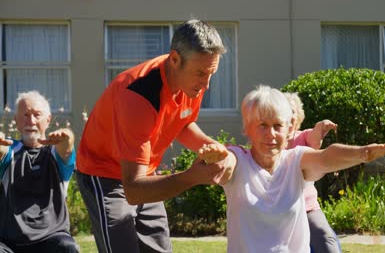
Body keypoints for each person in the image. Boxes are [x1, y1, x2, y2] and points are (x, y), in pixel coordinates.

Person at [76, 19, 228, 253]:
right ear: (175, 59)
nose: (206, 85)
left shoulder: (191, 82)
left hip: (142, 172)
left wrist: (214, 148)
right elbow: (134, 190)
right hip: (104, 172)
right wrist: (191, 177)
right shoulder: (140, 96)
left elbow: (182, 123)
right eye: (200, 73)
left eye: (212, 73)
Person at [198, 85, 385, 253]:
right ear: (246, 128)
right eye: (262, 125)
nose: (271, 134)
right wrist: (218, 158)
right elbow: (228, 165)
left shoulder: (296, 160)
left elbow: (326, 157)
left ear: (289, 129)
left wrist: (362, 153)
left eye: (278, 125)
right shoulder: (238, 159)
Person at [0, 91, 79, 253]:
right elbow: (2, 150)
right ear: (16, 120)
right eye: (26, 115)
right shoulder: (10, 150)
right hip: (10, 243)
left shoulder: (55, 154)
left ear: (48, 119)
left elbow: (66, 146)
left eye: (37, 115)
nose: (31, 121)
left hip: (52, 238)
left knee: (68, 247)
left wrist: (67, 137)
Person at [283, 92, 341, 253]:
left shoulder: (302, 137)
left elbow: (314, 139)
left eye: (292, 111)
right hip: (279, 211)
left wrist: (320, 127)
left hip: (307, 208)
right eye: (284, 111)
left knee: (325, 237)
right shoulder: (269, 142)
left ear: (299, 117)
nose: (289, 116)